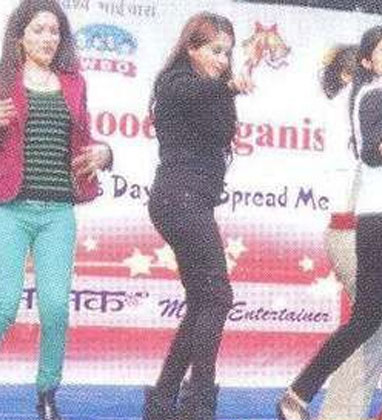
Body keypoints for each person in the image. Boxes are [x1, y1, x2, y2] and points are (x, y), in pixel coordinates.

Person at [277, 4, 382, 420]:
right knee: (370, 322)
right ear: (365, 65)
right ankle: (301, 396)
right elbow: (371, 150)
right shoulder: (374, 95)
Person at [0, 0, 112, 418]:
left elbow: (87, 141)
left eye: (54, 31)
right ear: (19, 37)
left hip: (58, 213)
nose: (48, 38)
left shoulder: (74, 83)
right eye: (38, 30)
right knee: (3, 305)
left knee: (55, 308)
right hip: (10, 208)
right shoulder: (2, 81)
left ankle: (47, 392)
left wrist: (106, 153)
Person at [144, 11, 253, 420]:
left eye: (227, 53)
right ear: (191, 47)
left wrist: (226, 90)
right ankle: (198, 403)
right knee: (218, 296)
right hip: (179, 199)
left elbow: (217, 125)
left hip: (193, 201)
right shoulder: (174, 82)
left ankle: (163, 401)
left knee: (204, 301)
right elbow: (192, 94)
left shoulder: (215, 91)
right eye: (214, 50)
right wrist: (228, 87)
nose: (222, 59)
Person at [317, 45, 382, 420]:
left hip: (378, 234)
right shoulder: (345, 108)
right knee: (371, 329)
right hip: (351, 233)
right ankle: (341, 415)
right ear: (352, 77)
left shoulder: (373, 116)